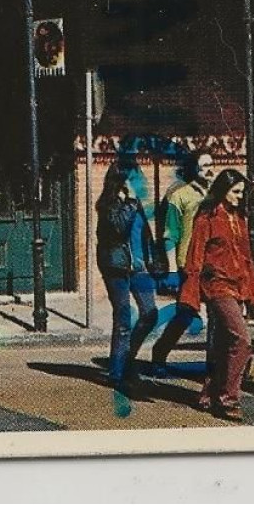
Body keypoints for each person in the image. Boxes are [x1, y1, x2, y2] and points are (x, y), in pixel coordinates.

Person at [178, 167, 254, 421]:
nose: (239, 196)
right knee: (242, 340)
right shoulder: (207, 218)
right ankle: (228, 398)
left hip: (237, 286)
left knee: (222, 343)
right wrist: (190, 295)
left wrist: (252, 295)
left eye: (242, 192)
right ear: (223, 190)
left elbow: (247, 259)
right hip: (216, 287)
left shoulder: (240, 219)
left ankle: (209, 394)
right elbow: (195, 257)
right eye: (235, 192)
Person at [147, 150, 217, 376]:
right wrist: (170, 269)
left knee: (219, 311)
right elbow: (170, 233)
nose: (210, 169)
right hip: (188, 262)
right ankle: (159, 353)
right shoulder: (180, 196)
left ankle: (216, 364)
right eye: (204, 165)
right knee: (186, 313)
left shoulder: (216, 195)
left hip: (212, 262)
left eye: (211, 164)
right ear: (193, 169)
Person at [96, 159, 159, 392]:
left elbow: (145, 234)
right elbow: (120, 227)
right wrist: (131, 201)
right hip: (117, 268)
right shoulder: (108, 205)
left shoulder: (137, 202)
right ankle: (117, 372)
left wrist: (153, 261)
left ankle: (128, 358)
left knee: (150, 313)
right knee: (123, 319)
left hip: (139, 267)